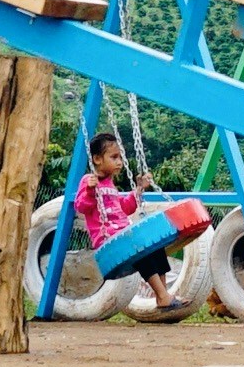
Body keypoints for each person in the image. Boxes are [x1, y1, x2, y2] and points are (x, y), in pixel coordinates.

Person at [72, 127, 209, 313]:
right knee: (141, 249)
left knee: (154, 247)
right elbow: (81, 207)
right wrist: (89, 189)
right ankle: (162, 296)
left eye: (120, 157)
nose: (120, 162)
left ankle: (164, 296)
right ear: (97, 159)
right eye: (114, 157)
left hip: (122, 234)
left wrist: (139, 190)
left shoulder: (110, 185)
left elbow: (125, 208)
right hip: (108, 240)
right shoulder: (89, 180)